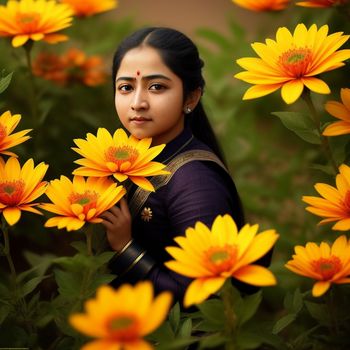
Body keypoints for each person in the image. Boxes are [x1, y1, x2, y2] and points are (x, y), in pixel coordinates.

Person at [101, 27, 266, 304]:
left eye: (157, 87)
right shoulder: (128, 156)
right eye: (126, 87)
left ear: (191, 97)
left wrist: (126, 248)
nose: (138, 103)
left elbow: (202, 298)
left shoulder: (196, 183)